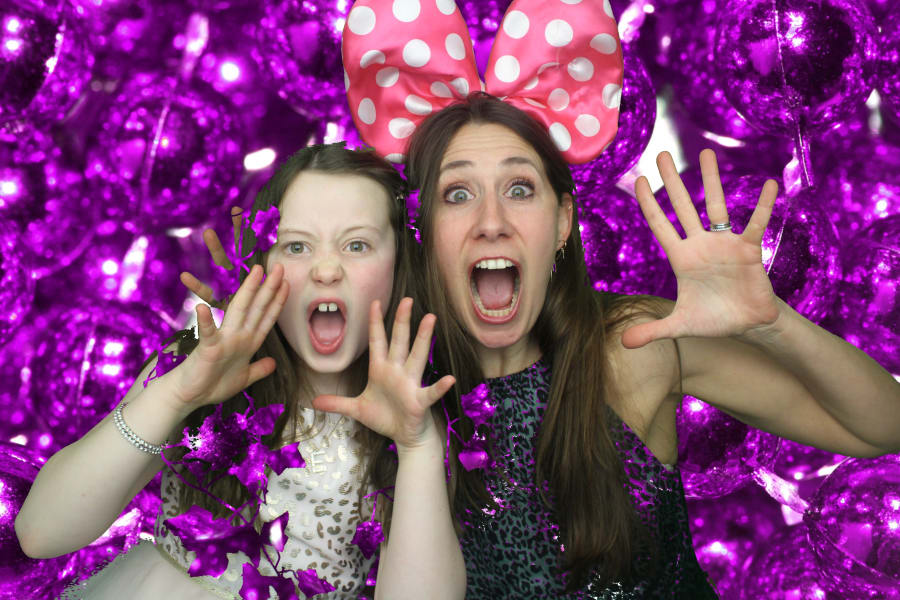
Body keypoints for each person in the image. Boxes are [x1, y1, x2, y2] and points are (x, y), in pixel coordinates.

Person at [311, 1, 900, 598]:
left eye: (520, 189)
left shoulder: (631, 348)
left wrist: (773, 324)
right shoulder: (388, 392)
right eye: (457, 194)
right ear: (421, 228)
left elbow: (883, 427)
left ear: (562, 222)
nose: (491, 222)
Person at [14, 142, 455, 599]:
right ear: (262, 263)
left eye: (357, 245)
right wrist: (177, 393)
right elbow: (40, 533)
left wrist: (417, 443)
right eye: (297, 245)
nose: (326, 270)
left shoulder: (424, 408)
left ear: (399, 263)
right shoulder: (200, 351)